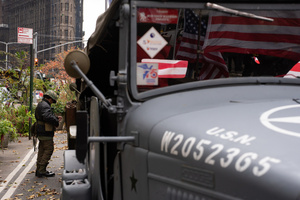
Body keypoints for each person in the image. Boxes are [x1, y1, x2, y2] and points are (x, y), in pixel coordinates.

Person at [35, 90, 62, 177]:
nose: (52, 102)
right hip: (45, 131)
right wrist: (56, 121)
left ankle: (39, 169)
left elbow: (45, 116)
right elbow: (47, 116)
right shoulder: (45, 105)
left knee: (42, 150)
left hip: (40, 131)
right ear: (49, 98)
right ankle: (42, 170)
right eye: (52, 100)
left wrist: (55, 117)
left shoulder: (41, 104)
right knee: (49, 149)